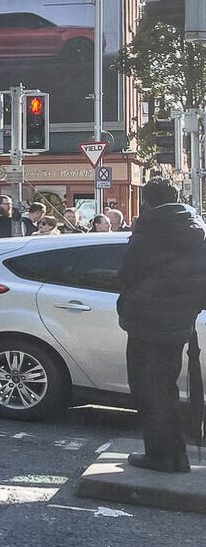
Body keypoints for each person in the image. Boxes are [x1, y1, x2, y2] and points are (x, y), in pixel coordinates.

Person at [115, 178, 206, 473]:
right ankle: (175, 454)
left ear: (148, 201)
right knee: (165, 388)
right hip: (180, 322)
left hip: (147, 321)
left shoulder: (150, 230)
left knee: (148, 391)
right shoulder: (196, 230)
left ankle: (163, 456)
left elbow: (127, 273)